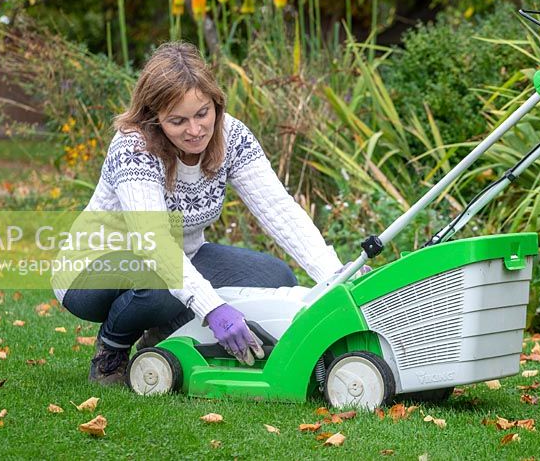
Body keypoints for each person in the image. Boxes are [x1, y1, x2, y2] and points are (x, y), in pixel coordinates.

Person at [51, 42, 346, 386]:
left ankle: (164, 336)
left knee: (275, 278)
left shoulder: (231, 136)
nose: (195, 130)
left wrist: (336, 277)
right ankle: (111, 349)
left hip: (181, 260)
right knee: (159, 280)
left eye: (202, 114)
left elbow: (278, 209)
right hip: (91, 272)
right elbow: (154, 244)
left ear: (215, 104)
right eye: (178, 121)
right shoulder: (133, 147)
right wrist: (212, 308)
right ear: (154, 118)